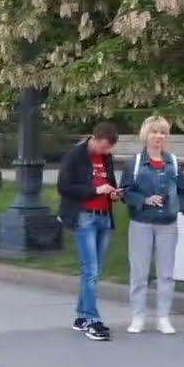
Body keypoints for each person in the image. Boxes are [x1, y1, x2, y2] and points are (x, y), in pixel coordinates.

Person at [120, 116, 184, 335]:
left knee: (166, 274)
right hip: (141, 222)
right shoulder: (135, 163)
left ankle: (163, 317)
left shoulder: (173, 163)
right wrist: (144, 200)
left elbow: (183, 192)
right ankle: (138, 316)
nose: (158, 136)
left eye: (162, 133)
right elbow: (125, 192)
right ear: (146, 134)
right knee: (139, 273)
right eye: (154, 132)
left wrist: (175, 205)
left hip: (167, 223)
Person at [57, 122, 122, 341]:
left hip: (104, 216)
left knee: (94, 270)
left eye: (108, 148)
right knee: (90, 270)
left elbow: (110, 182)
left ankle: (81, 316)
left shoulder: (106, 158)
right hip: (85, 216)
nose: (106, 151)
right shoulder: (75, 155)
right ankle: (92, 320)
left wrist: (113, 193)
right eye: (103, 147)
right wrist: (95, 190)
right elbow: (64, 186)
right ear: (94, 139)